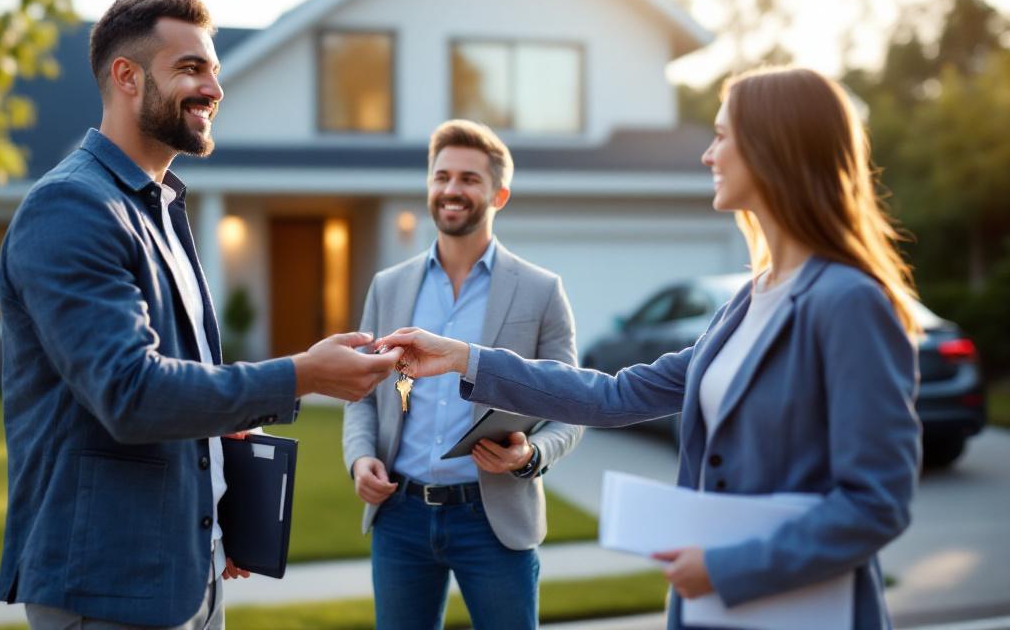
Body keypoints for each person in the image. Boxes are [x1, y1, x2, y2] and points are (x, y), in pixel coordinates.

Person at [376, 67, 921, 630]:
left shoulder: (849, 301)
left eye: (721, 136)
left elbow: (876, 502)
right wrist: (465, 358)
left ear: (773, 147)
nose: (709, 156)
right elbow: (614, 395)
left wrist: (730, 568)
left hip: (803, 611)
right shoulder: (749, 299)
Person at [0, 0, 401, 630]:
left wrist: (221, 448)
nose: (214, 87)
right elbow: (131, 394)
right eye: (191, 69)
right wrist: (303, 374)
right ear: (127, 77)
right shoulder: (73, 208)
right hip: (108, 584)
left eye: (213, 71)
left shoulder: (156, 205)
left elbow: (176, 380)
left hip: (189, 566)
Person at [342, 120, 583, 630]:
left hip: (492, 522)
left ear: (500, 193)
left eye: (469, 179)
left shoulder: (541, 291)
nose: (452, 189)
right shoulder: (389, 286)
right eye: (442, 176)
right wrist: (360, 457)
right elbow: (362, 393)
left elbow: (573, 407)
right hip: (400, 518)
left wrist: (531, 455)